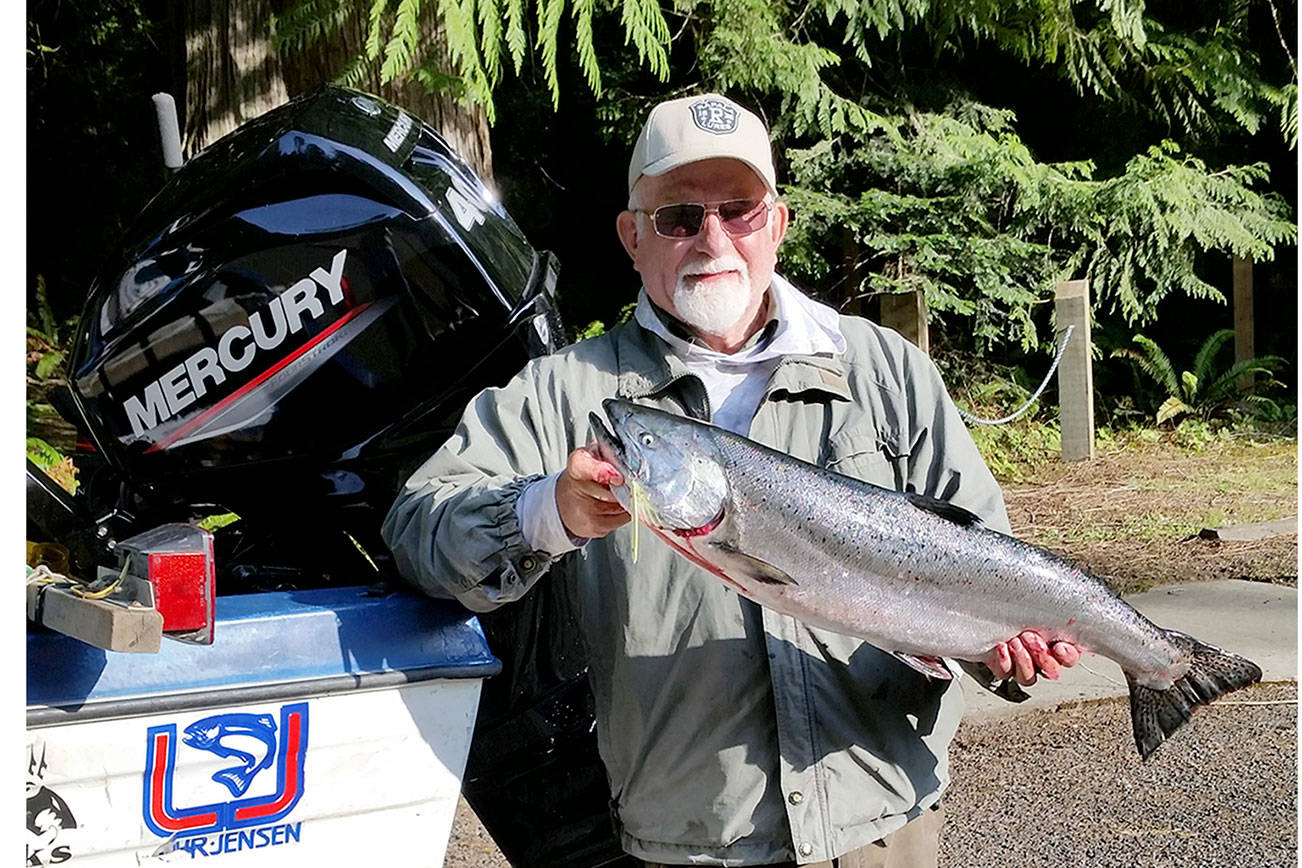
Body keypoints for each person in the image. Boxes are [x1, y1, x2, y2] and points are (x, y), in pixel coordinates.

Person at [382, 93, 1079, 867]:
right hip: (692, 843)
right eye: (679, 217)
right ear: (632, 236)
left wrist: (1002, 651)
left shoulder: (887, 370)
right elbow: (418, 534)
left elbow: (988, 563)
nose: (712, 239)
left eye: (739, 211)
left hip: (883, 828)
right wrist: (553, 510)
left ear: (776, 223)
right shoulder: (566, 395)